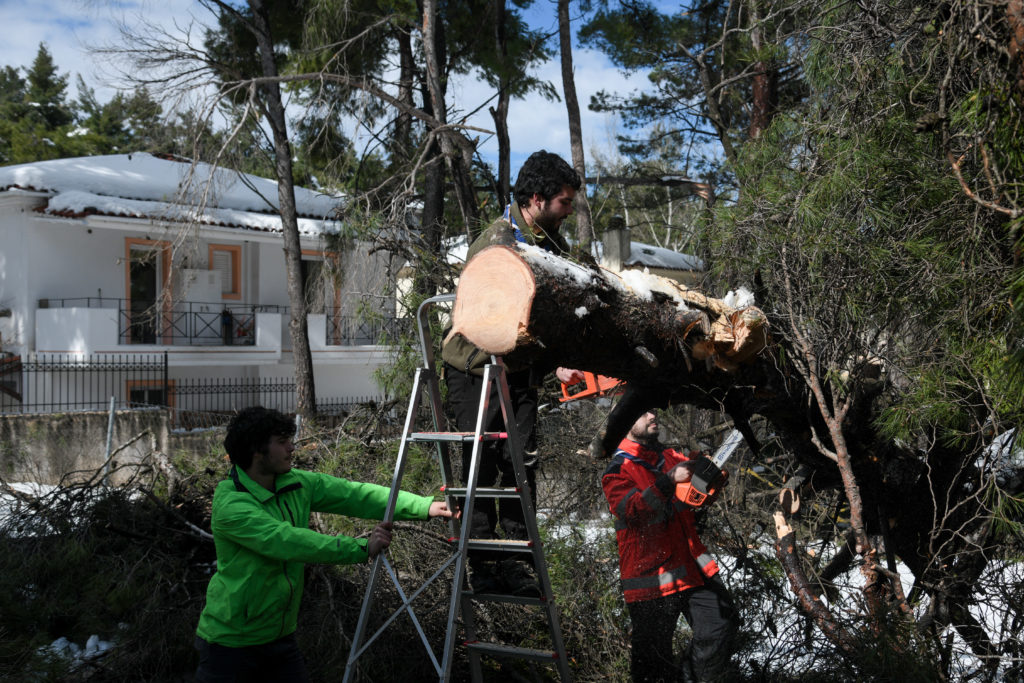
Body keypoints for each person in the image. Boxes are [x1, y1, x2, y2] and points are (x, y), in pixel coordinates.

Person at [193, 406, 453, 683]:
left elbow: (355, 495)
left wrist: (423, 506)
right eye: (282, 443)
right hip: (230, 647)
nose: (292, 448)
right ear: (256, 451)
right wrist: (360, 548)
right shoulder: (231, 504)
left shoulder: (295, 484)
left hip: (280, 640)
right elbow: (289, 541)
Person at [442, 150, 586, 596]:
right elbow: (491, 315)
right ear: (538, 199)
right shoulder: (498, 241)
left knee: (521, 467)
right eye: (564, 203)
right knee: (481, 469)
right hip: (475, 369)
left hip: (519, 371)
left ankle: (519, 566)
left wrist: (559, 357)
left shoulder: (552, 244)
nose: (568, 212)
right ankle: (482, 568)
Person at [602, 410, 738, 683]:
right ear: (625, 423)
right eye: (642, 412)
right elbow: (634, 511)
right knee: (652, 663)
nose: (653, 415)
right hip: (652, 578)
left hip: (693, 566)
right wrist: (667, 481)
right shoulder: (617, 471)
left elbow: (695, 498)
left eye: (652, 409)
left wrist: (711, 477)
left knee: (721, 625)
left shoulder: (671, 458)